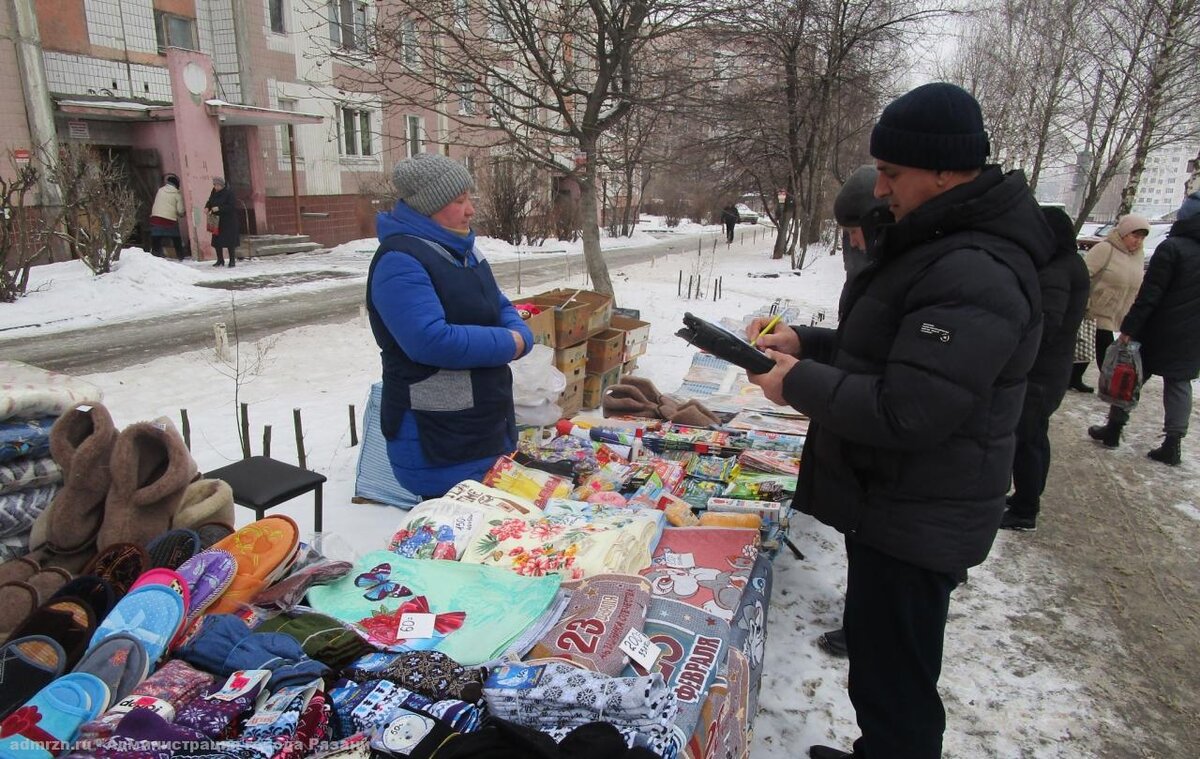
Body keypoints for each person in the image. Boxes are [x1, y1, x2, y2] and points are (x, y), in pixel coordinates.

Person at [745, 82, 1049, 759]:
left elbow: (909, 408)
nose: (880, 188)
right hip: (898, 500)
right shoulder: (942, 243)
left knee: (899, 685)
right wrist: (805, 342)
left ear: (945, 171)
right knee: (884, 669)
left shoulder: (977, 267)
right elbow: (886, 352)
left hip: (921, 507)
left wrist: (794, 383)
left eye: (892, 173)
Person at [366, 153, 533, 499]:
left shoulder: (464, 251)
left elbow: (499, 304)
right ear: (430, 206)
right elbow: (430, 340)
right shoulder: (400, 261)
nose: (470, 209)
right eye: (459, 201)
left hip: (481, 426)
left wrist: (521, 334)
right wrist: (511, 342)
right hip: (439, 437)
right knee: (451, 536)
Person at [816, 164, 891, 660]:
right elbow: (858, 344)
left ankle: (868, 629)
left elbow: (900, 398)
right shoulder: (873, 268)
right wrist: (804, 341)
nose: (853, 243)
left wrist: (800, 380)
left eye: (855, 232)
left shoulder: (930, 277)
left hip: (900, 487)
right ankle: (863, 624)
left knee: (894, 660)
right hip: (875, 476)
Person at [1087, 195, 1200, 461]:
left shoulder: (1172, 248)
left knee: (1132, 375)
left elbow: (1150, 293)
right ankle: (1173, 444)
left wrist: (1130, 327)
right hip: (1193, 333)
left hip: (1158, 328)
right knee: (1179, 383)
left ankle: (1113, 429)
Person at [1000, 207, 1090, 531]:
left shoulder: (1056, 272)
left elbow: (1046, 324)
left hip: (1040, 372)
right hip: (1052, 370)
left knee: (1026, 439)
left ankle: (1025, 509)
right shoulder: (1071, 264)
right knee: (1036, 436)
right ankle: (1028, 494)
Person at [1083, 213, 1150, 383]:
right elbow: (1084, 274)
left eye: (1142, 237)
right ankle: (1112, 381)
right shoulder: (1105, 248)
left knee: (1088, 345)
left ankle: (1075, 377)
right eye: (1134, 236)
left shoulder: (1138, 255)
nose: (1138, 241)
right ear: (1123, 233)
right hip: (1098, 307)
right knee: (1103, 345)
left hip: (1122, 308)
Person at [149, 174, 187, 260]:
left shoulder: (160, 190)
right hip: (169, 220)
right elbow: (180, 210)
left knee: (156, 238)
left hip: (156, 218)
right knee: (176, 238)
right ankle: (180, 255)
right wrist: (182, 214)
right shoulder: (177, 194)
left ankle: (155, 255)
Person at [205, 177, 241, 267]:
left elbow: (232, 206)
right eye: (214, 185)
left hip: (228, 221)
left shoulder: (229, 193)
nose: (216, 187)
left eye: (217, 185)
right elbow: (210, 201)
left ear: (222, 185)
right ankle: (220, 260)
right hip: (216, 219)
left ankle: (232, 261)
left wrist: (219, 208)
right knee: (217, 241)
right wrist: (207, 207)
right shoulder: (214, 192)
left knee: (230, 242)